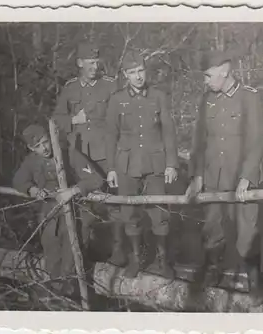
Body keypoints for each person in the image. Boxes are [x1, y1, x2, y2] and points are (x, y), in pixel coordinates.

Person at [185, 49, 263, 306]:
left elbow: (257, 141)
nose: (205, 81)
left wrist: (247, 177)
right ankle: (213, 270)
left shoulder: (249, 98)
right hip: (212, 176)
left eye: (209, 75)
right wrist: (197, 175)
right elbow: (198, 142)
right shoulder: (206, 100)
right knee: (212, 229)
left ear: (225, 71)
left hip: (239, 179)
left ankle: (255, 281)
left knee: (247, 231)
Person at [105, 50, 179, 278]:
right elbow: (110, 135)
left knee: (160, 214)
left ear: (145, 71)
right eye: (132, 72)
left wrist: (172, 164)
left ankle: (163, 260)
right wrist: (111, 169)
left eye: (140, 71)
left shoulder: (158, 96)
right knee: (130, 214)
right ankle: (136, 259)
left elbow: (169, 132)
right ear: (125, 75)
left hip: (155, 163)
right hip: (126, 165)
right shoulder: (117, 100)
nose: (138, 76)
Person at [12, 124, 104, 298]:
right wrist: (33, 190)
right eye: (37, 146)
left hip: (75, 214)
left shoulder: (69, 154)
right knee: (52, 258)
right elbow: (18, 180)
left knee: (71, 261)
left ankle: (74, 300)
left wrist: (73, 190)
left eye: (45, 142)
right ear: (31, 148)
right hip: (50, 216)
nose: (44, 148)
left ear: (50, 138)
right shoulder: (32, 160)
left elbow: (96, 179)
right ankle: (56, 299)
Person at [51, 41, 120, 260]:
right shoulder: (70, 88)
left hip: (107, 155)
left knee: (115, 207)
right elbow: (57, 119)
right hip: (80, 156)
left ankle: (119, 253)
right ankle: (86, 256)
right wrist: (74, 119)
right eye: (89, 62)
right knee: (86, 208)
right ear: (79, 63)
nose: (94, 66)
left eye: (96, 61)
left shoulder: (110, 85)